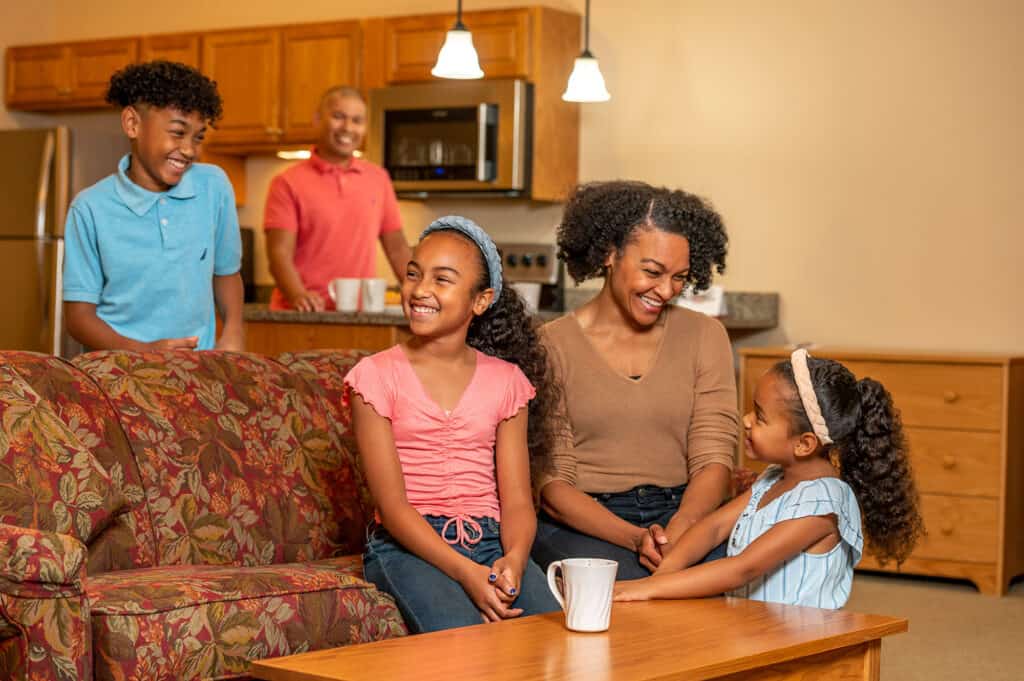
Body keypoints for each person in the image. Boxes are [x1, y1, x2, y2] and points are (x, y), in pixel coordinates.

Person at [344, 215, 561, 633]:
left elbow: (517, 501)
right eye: (413, 274)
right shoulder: (373, 377)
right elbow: (392, 509)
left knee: (555, 638)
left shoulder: (507, 382)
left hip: (493, 542)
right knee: (465, 641)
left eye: (442, 280)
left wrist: (513, 560)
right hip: (408, 546)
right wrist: (467, 573)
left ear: (480, 301)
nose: (421, 289)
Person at [531, 180, 739, 581]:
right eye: (652, 271)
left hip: (683, 512)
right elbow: (553, 485)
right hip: (587, 521)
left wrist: (678, 531)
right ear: (610, 253)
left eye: (680, 277)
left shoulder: (705, 336)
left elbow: (714, 459)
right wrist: (634, 538)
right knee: (632, 597)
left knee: (730, 589)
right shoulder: (550, 345)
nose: (666, 291)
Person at [613, 349, 924, 608]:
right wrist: (659, 579)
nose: (746, 421)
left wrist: (644, 590)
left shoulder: (825, 502)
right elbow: (713, 527)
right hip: (749, 627)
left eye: (759, 416)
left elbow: (743, 568)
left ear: (804, 444)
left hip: (796, 640)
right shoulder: (774, 479)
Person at [62, 60, 244, 352]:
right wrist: (145, 354)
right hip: (116, 376)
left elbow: (226, 274)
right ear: (132, 124)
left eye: (198, 137)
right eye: (177, 132)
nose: (189, 150)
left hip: (194, 372)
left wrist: (233, 332)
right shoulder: (89, 209)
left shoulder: (214, 187)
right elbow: (78, 318)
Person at [264, 86, 412, 312]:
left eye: (357, 120)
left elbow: (398, 249)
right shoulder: (286, 182)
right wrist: (298, 295)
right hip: (301, 316)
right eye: (338, 117)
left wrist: (418, 293)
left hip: (360, 316)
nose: (348, 128)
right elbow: (279, 254)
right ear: (317, 119)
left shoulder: (378, 178)